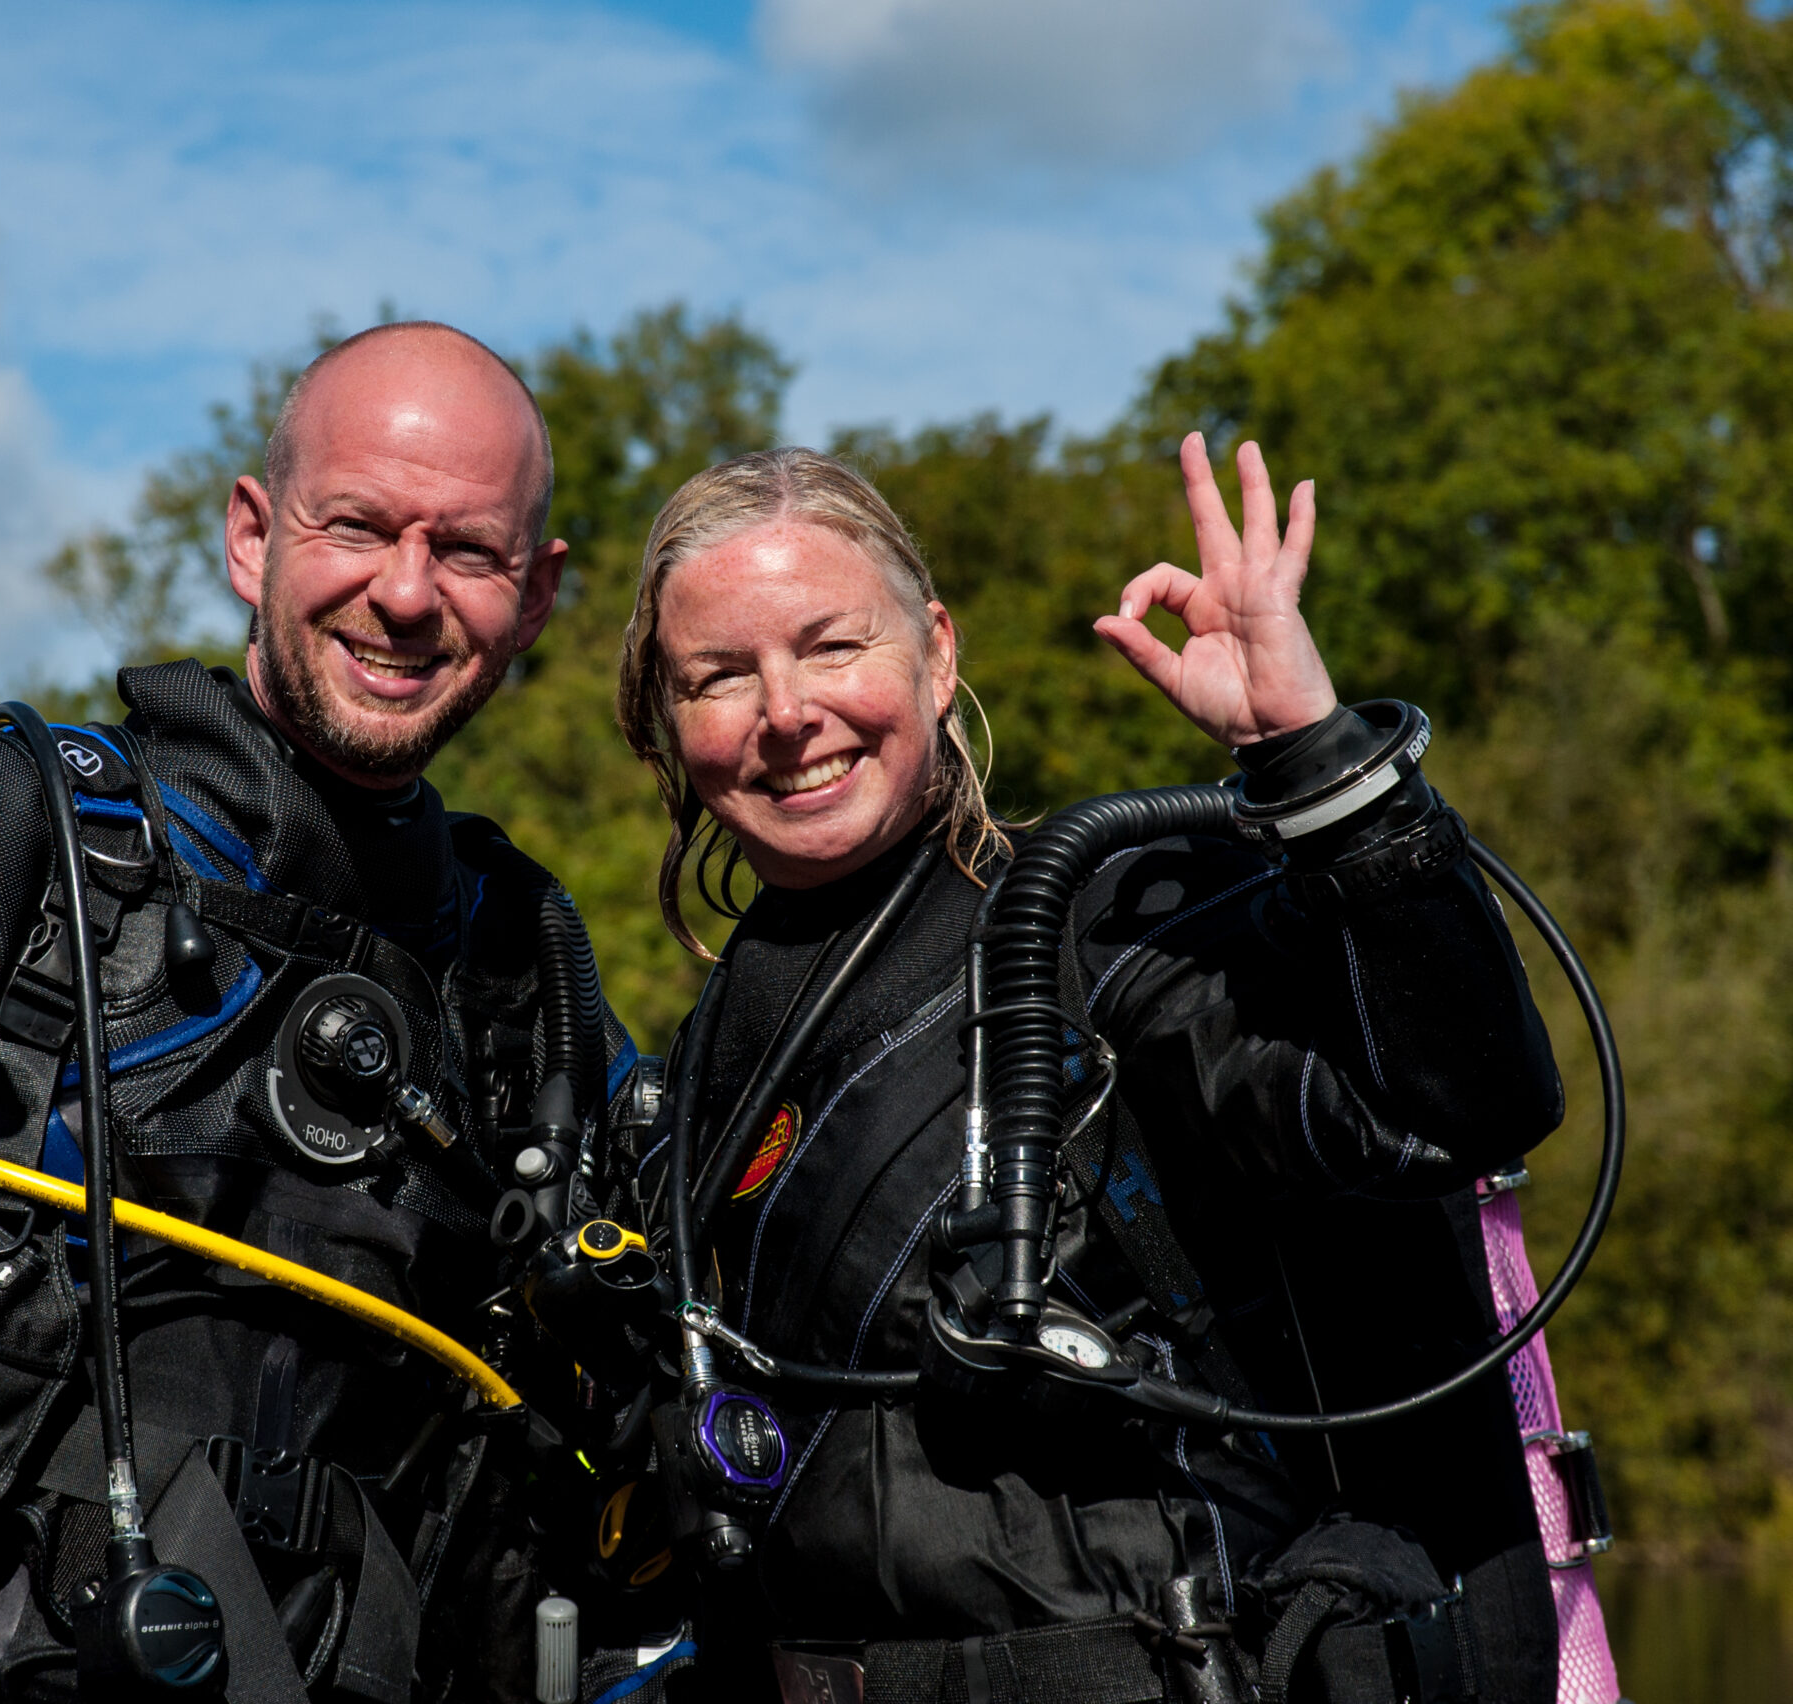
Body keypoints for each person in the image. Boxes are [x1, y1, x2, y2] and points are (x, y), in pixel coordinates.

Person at [0, 322, 647, 1703]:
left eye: (467, 551)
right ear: (252, 539)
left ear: (540, 593)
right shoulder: (21, 832)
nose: (405, 593)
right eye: (358, 526)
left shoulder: (518, 978)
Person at [606, 443, 1572, 1701]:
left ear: (936, 654)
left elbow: (1447, 1108)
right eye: (720, 675)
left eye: (832, 646)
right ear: (665, 726)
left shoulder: (1099, 929)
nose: (786, 712)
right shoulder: (692, 1079)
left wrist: (1316, 761)